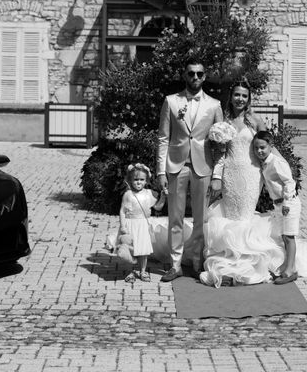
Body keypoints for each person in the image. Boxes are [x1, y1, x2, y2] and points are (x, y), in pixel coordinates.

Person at [199, 79, 285, 287]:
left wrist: (282, 170)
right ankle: (229, 261)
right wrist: (217, 177)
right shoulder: (223, 120)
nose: (240, 99)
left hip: (250, 175)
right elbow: (220, 153)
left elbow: (268, 148)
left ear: (249, 99)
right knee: (231, 216)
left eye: (244, 96)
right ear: (231, 97)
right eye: (237, 94)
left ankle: (248, 265)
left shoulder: (254, 120)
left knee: (245, 216)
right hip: (230, 174)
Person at [156, 57, 224, 282]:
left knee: (201, 219)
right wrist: (160, 171)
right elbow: (163, 138)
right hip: (176, 167)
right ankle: (175, 265)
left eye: (199, 74)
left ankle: (196, 260)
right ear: (184, 75)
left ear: (205, 76)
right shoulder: (171, 101)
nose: (195, 77)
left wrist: (217, 175)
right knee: (174, 217)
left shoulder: (214, 105)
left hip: (203, 167)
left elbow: (221, 145)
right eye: (191, 73)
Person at [254, 130, 301, 284]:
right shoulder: (265, 163)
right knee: (284, 236)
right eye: (256, 148)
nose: (259, 151)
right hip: (278, 204)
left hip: (289, 203)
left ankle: (290, 270)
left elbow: (289, 181)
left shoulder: (277, 162)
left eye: (262, 147)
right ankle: (287, 265)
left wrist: (287, 202)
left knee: (289, 236)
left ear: (271, 146)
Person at [108, 163, 166, 283]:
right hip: (130, 224)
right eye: (135, 179)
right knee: (130, 249)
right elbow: (123, 211)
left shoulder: (149, 194)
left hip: (143, 225)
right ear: (130, 180)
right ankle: (130, 271)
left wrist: (163, 198)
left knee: (143, 250)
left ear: (146, 181)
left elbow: (158, 207)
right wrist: (123, 226)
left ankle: (143, 270)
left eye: (142, 180)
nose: (138, 182)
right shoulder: (128, 195)